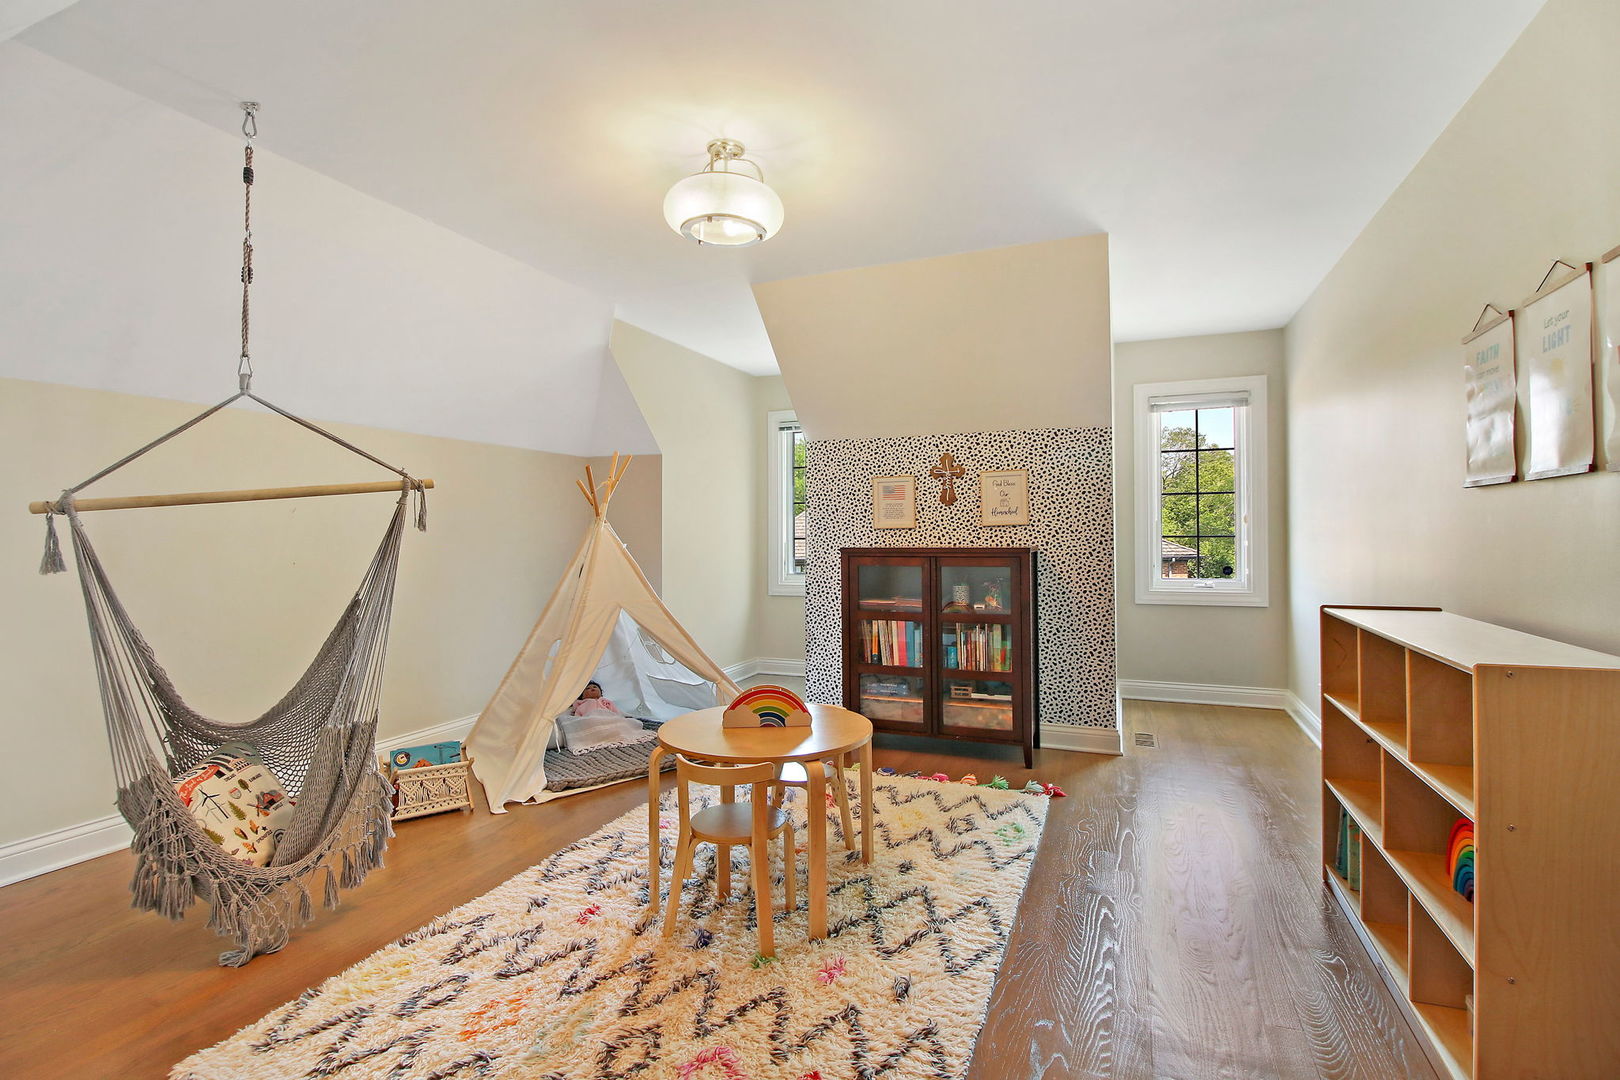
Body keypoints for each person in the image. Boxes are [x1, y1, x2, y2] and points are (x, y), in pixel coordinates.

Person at [556, 680, 654, 754]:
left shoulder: (605, 701)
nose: (592, 689)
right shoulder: (581, 704)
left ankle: (613, 733)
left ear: (601, 693)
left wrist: (619, 719)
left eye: (595, 687)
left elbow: (615, 713)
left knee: (627, 723)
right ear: (582, 696)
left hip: (607, 718)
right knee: (587, 723)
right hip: (591, 719)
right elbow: (578, 717)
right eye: (588, 688)